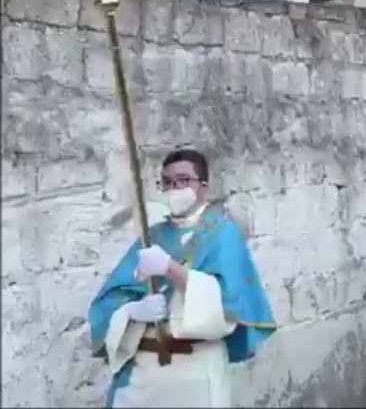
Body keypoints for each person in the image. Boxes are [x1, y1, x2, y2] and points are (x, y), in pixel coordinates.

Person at [88, 149, 275, 408]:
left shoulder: (223, 234)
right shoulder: (152, 236)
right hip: (142, 375)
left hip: (195, 373)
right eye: (167, 182)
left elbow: (228, 302)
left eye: (184, 180)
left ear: (203, 187)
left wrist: (169, 268)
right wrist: (131, 311)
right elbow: (112, 297)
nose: (174, 187)